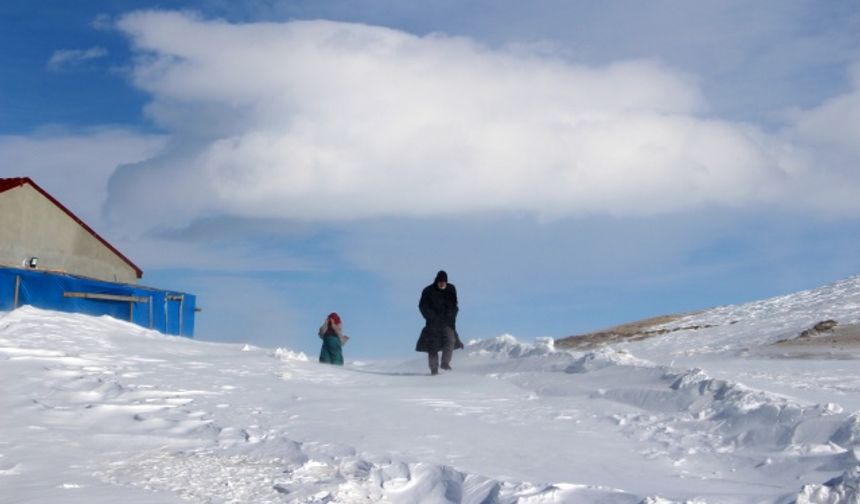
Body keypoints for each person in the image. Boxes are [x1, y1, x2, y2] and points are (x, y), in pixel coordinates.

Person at [416, 270, 463, 375]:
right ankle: (434, 369)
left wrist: (451, 316)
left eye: (444, 282)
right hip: (433, 323)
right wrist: (431, 317)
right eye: (440, 282)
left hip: (447, 322)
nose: (442, 284)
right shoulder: (428, 291)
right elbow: (422, 306)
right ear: (437, 281)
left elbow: (454, 305)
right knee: (433, 346)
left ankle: (445, 363)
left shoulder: (451, 289)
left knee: (451, 339)